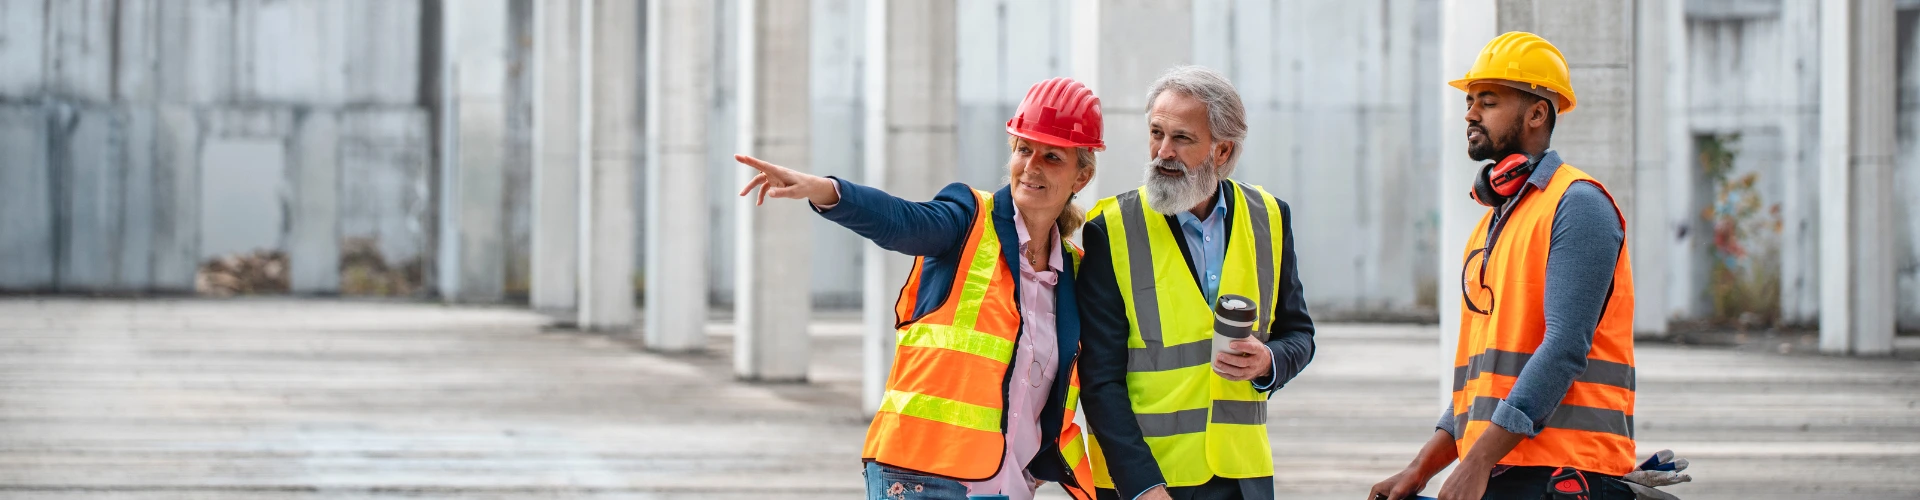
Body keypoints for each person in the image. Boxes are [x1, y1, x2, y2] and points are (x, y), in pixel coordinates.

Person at [736, 78, 1105, 500]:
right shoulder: (968, 219)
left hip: (1009, 485)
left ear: (1081, 177)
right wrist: (828, 192)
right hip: (921, 478)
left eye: (1052, 156)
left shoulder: (1075, 272)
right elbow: (903, 221)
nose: (1032, 165)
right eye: (1024, 149)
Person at [1367, 31, 1639, 500]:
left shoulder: (1578, 206)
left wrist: (1477, 461)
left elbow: (1564, 348)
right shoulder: (1494, 223)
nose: (1470, 113)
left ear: (1537, 113)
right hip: (1504, 468)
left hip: (1562, 476)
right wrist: (1420, 468)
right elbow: (1481, 387)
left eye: (1488, 101)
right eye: (1469, 101)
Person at [1077, 65, 1317, 500]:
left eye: (1182, 138)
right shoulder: (1110, 229)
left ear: (1222, 151)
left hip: (1242, 477)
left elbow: (1299, 334)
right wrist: (1141, 485)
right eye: (1156, 133)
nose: (1163, 151)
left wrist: (1268, 361)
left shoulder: (1269, 218)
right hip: (1147, 482)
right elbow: (1098, 380)